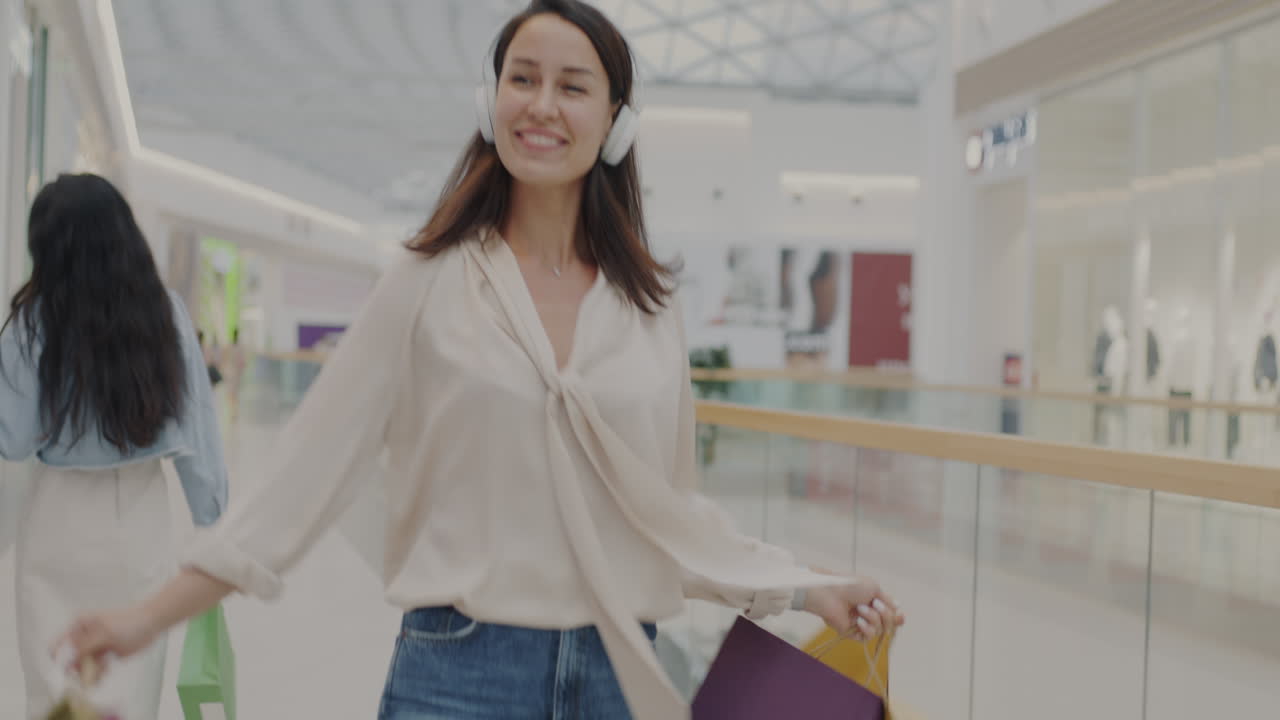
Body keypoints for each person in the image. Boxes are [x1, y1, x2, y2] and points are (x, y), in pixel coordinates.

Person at [59, 2, 903, 718]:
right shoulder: (427, 282)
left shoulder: (647, 307)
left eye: (573, 86)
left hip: (621, 671)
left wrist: (802, 587)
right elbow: (295, 489)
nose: (541, 104)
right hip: (459, 672)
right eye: (522, 78)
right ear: (490, 98)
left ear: (617, 121)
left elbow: (666, 519)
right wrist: (145, 618)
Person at [0, 173, 227, 719]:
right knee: (130, 693)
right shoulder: (166, 313)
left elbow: (12, 438)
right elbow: (198, 434)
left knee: (55, 691)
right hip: (140, 519)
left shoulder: (33, 323)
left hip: (57, 517)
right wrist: (211, 519)